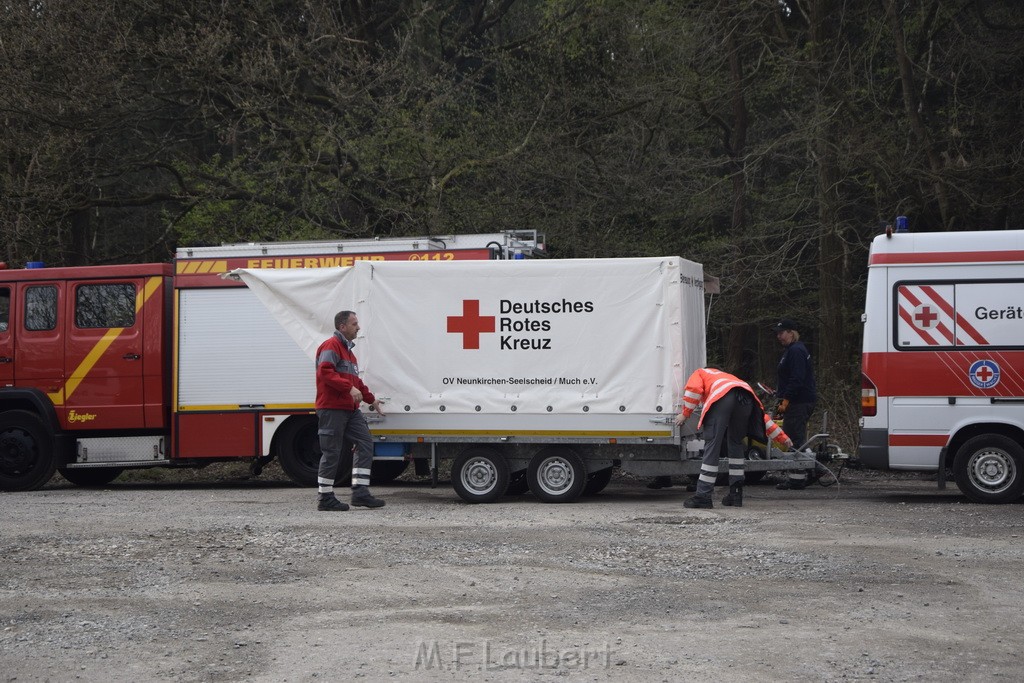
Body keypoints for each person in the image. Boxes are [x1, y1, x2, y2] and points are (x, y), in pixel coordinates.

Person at [676, 368, 792, 508]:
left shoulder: (700, 372)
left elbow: (693, 389)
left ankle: (703, 495)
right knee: (736, 443)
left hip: (723, 398)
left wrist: (685, 414)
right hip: (747, 396)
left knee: (713, 444)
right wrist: (782, 437)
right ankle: (735, 494)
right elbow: (761, 418)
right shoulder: (730, 378)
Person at [314, 310, 386, 511]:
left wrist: (372, 400)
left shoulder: (349, 352)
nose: (358, 327)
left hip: (349, 409)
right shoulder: (331, 346)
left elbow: (356, 381)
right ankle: (325, 498)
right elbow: (325, 372)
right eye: (354, 323)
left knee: (365, 443)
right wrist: (349, 388)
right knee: (332, 452)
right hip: (332, 409)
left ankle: (360, 493)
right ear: (342, 327)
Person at [771, 319, 817, 490]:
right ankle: (810, 471)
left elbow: (797, 378)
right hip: (798, 400)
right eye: (777, 333)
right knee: (796, 437)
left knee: (794, 440)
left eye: (781, 333)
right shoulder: (791, 350)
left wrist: (786, 399)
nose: (779, 336)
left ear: (791, 332)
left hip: (799, 402)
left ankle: (798, 478)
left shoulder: (796, 351)